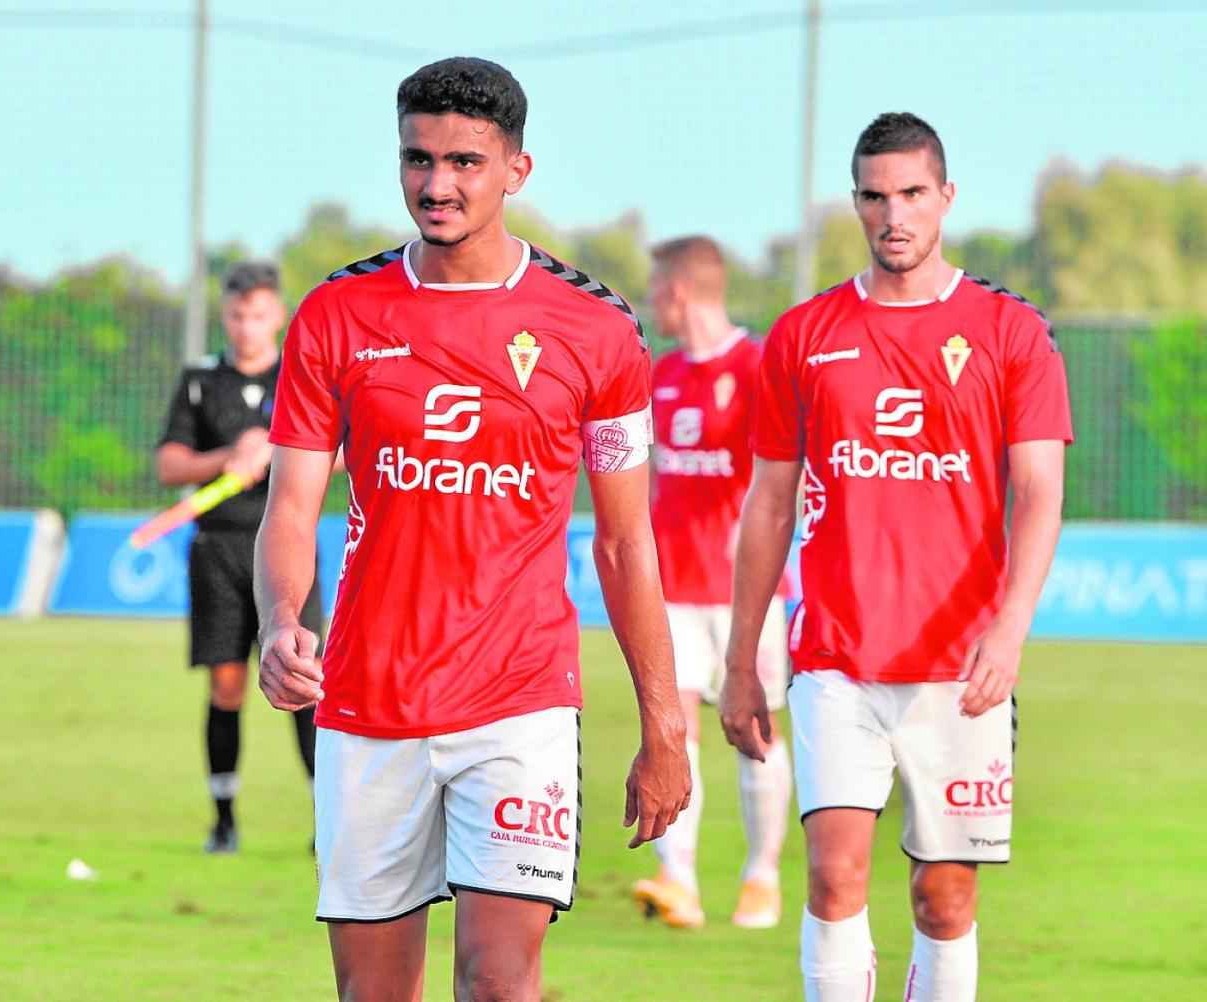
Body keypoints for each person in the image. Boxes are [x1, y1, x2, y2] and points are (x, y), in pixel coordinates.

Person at [253, 57, 690, 1002]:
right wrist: (282, 618)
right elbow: (291, 507)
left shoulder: (599, 330)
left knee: (497, 981)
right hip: (366, 702)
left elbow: (623, 544)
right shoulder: (336, 313)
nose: (437, 183)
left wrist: (665, 728)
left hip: (519, 700)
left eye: (464, 161)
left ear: (516, 171)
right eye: (417, 159)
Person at [720, 112, 1073, 1001]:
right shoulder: (803, 335)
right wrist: (739, 660)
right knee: (835, 874)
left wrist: (1009, 630)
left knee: (944, 899)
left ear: (945, 197)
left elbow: (1038, 494)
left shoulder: (1009, 332)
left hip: (963, 669)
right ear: (856, 204)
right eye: (875, 197)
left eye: (912, 194)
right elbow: (768, 504)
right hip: (836, 655)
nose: (894, 216)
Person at [632, 236, 794, 930]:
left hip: (743, 592)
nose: (649, 301)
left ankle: (762, 877)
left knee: (752, 727)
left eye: (654, 289)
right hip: (670, 588)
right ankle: (681, 881)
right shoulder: (659, 374)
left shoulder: (758, 367)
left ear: (678, 293)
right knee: (678, 728)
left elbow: (783, 478)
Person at [157, 261, 325, 854]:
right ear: (224, 314)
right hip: (218, 549)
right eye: (236, 315)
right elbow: (170, 465)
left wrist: (279, 452)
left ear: (277, 314)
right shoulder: (201, 381)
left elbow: (343, 456)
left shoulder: (302, 375)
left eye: (258, 315)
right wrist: (230, 455)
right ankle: (224, 820)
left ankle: (325, 819)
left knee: (304, 677)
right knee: (226, 685)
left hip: (287, 547)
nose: (247, 327)